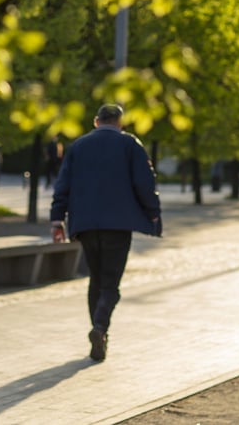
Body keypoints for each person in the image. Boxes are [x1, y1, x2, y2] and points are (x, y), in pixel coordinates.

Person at [50, 103, 162, 362]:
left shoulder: (78, 146)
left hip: (85, 225)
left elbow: (62, 185)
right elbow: (145, 182)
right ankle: (100, 328)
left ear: (96, 121)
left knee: (96, 280)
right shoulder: (130, 144)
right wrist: (152, 211)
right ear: (120, 123)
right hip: (118, 225)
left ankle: (99, 334)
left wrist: (57, 220)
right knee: (111, 283)